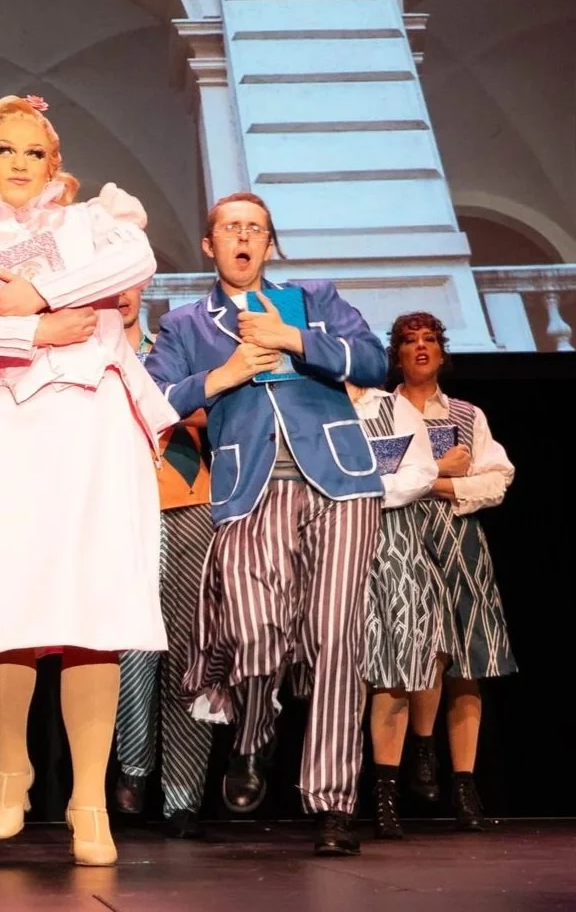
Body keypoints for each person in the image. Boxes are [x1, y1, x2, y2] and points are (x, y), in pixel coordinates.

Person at [0, 94, 177, 867]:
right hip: (5, 432)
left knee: (93, 609)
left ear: (54, 164)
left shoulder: (89, 225)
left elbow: (138, 261)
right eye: (4, 150)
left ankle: (87, 795)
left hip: (92, 428)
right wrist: (31, 329)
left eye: (34, 152)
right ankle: (12, 760)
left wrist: (48, 290)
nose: (19, 164)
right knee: (4, 602)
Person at [145, 191, 386, 856]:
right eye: (230, 227)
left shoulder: (313, 297)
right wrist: (219, 377)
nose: (243, 237)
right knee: (252, 629)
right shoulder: (187, 323)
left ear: (270, 245)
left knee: (336, 637)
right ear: (210, 244)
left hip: (340, 483)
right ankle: (253, 731)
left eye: (255, 228)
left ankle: (332, 804)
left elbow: (372, 359)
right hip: (250, 491)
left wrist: (293, 339)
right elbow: (151, 396)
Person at [391, 312, 516, 831]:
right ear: (395, 354)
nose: (421, 348)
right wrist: (439, 474)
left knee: (470, 660)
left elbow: (498, 480)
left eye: (430, 341)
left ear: (443, 353)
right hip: (405, 539)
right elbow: (381, 480)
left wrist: (438, 486)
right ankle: (421, 748)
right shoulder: (385, 412)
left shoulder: (466, 415)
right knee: (426, 650)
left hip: (461, 542)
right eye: (409, 341)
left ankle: (464, 784)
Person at [111, 287, 217, 838]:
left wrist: (171, 401)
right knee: (128, 646)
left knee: (189, 649)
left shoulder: (171, 348)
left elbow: (212, 407)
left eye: (130, 284)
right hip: (115, 509)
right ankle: (132, 766)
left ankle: (183, 795)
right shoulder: (91, 357)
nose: (122, 296)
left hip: (188, 501)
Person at [346, 378, 443, 839]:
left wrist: (365, 492)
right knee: (345, 671)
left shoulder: (393, 407)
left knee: (394, 671)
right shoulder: (310, 402)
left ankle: (384, 798)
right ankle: (337, 792)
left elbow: (421, 470)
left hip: (397, 546)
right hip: (339, 545)